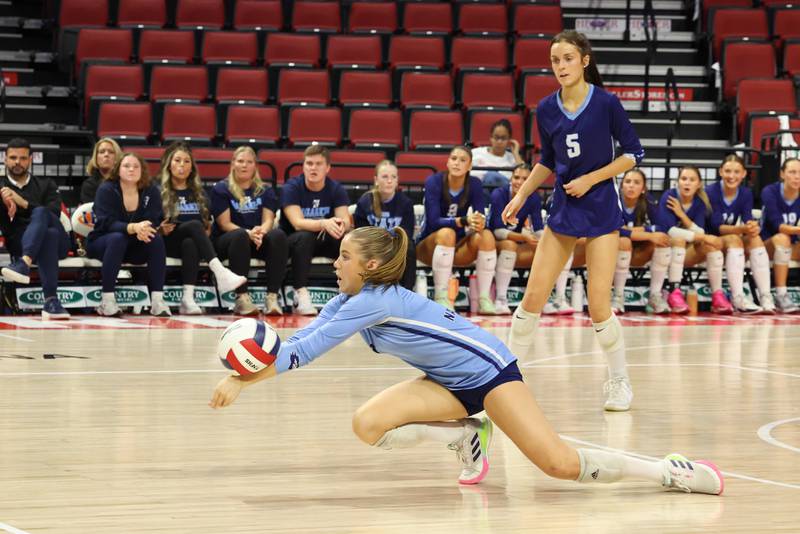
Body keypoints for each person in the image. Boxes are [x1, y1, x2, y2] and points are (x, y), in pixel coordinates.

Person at [209, 225, 724, 497]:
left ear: (368, 265)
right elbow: (303, 339)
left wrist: (240, 380)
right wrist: (257, 348)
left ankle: (664, 470)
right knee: (367, 424)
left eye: (343, 256)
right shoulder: (351, 300)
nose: (334, 263)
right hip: (446, 379)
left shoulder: (371, 300)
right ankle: (464, 436)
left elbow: (304, 353)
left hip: (491, 372)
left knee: (559, 465)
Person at [502, 31, 643, 411]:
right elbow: (547, 159)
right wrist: (521, 194)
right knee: (532, 297)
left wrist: (593, 178)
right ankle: (505, 381)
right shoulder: (546, 108)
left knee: (598, 305)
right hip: (564, 207)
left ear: (584, 60)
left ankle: (619, 381)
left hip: (600, 207)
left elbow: (634, 153)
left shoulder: (607, 104)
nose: (560, 66)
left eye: (567, 58)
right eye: (554, 60)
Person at [159, 142, 246, 314]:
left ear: (192, 167)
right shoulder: (158, 191)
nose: (182, 165)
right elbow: (152, 224)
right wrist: (160, 228)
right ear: (169, 165)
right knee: (193, 226)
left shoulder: (200, 193)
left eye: (186, 161)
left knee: (191, 241)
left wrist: (207, 230)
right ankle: (220, 271)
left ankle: (188, 298)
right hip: (167, 242)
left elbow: (207, 223)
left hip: (193, 246)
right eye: (177, 160)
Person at [86, 152, 170, 317]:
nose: (131, 169)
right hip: (103, 242)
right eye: (126, 166)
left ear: (142, 170)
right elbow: (105, 222)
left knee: (156, 239)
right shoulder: (106, 189)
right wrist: (132, 228)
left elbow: (155, 217)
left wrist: (145, 228)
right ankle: (107, 301)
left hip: (134, 245)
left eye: (136, 166)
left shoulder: (151, 190)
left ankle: (157, 301)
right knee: (118, 238)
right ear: (118, 170)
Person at [416, 146, 497, 314]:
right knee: (447, 232)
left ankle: (484, 298)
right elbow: (433, 222)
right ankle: (441, 296)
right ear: (447, 162)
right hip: (428, 245)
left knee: (486, 235)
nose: (457, 163)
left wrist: (479, 222)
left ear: (470, 166)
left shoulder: (474, 184)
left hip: (458, 246)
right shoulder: (434, 181)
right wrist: (462, 221)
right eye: (453, 159)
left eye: (462, 160)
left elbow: (479, 214)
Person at [211, 146, 288, 316]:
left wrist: (260, 232)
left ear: (255, 166)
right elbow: (224, 224)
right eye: (240, 161)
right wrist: (248, 233)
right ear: (232, 164)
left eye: (249, 162)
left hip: (256, 239)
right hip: (229, 240)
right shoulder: (221, 189)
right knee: (239, 236)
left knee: (278, 235)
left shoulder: (265, 190)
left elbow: (268, 219)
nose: (244, 165)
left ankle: (272, 297)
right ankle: (241, 297)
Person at [0, 137, 71, 319]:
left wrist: (23, 203)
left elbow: (54, 213)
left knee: (42, 213)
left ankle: (24, 263)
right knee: (49, 234)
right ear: (5, 159)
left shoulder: (47, 184)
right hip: (20, 242)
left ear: (30, 160)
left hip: (60, 246)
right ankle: (51, 301)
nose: (18, 162)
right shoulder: (1, 186)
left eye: (23, 158)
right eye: (13, 157)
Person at [280, 145, 351, 316]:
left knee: (348, 240)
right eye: (309, 163)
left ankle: (350, 291)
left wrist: (339, 224)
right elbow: (297, 222)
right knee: (304, 237)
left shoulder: (336, 189)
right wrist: (323, 223)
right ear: (303, 166)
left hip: (324, 239)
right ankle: (301, 295)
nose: (313, 168)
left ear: (327, 168)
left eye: (318, 164)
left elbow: (346, 220)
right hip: (294, 241)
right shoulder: (292, 187)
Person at [653, 166, 731, 315]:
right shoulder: (669, 196)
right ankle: (674, 292)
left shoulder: (700, 201)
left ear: (699, 184)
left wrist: (682, 215)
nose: (687, 183)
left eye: (692, 180)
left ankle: (718, 295)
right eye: (683, 179)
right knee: (680, 240)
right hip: (663, 251)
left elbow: (700, 231)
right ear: (678, 182)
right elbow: (669, 230)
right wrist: (702, 236)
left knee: (711, 246)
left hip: (686, 253)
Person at [706, 154, 772, 314]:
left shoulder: (746, 193)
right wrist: (743, 229)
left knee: (755, 238)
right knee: (736, 238)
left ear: (743, 174)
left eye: (737, 172)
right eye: (728, 171)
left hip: (730, 241)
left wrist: (751, 226)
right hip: (709, 241)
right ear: (720, 171)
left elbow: (747, 218)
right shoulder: (710, 191)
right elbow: (716, 226)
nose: (732, 176)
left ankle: (765, 296)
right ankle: (737, 297)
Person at [487, 163, 543, 314]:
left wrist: (546, 241)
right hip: (492, 240)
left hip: (516, 239)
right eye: (516, 177)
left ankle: (547, 299)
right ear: (511, 178)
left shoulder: (533, 198)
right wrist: (524, 237)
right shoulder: (499, 194)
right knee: (509, 245)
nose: (519, 181)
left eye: (525, 178)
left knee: (545, 248)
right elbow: (497, 231)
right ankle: (500, 299)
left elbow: (538, 229)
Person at [614, 168, 672, 314]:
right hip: (615, 252)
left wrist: (636, 231)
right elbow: (616, 230)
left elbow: (661, 227)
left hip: (639, 252)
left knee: (663, 241)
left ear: (643, 189)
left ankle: (654, 296)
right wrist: (648, 233)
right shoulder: (614, 201)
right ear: (621, 186)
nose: (631, 185)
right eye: (627, 182)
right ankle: (618, 296)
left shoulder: (649, 202)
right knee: (624, 241)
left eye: (636, 182)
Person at [353, 160, 416, 290]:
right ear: (376, 180)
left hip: (395, 246)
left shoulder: (405, 203)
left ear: (397, 180)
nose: (389, 181)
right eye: (385, 177)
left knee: (409, 246)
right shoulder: (365, 201)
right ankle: (361, 290)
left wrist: (388, 243)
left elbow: (407, 233)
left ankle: (407, 291)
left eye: (393, 177)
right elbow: (360, 232)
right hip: (372, 247)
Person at [759, 157, 800, 313]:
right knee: (783, 239)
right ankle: (781, 295)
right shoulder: (770, 191)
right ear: (782, 174)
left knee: (787, 242)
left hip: (791, 247)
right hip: (766, 246)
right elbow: (778, 226)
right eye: (792, 172)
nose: (797, 177)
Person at [470, 119, 524, 189]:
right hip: (477, 190)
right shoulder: (475, 153)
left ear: (509, 140)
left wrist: (516, 154)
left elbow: (524, 178)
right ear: (491, 138)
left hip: (502, 195)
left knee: (492, 176)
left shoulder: (513, 159)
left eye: (503, 138)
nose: (499, 142)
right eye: (496, 137)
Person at [81, 137, 122, 204]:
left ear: (117, 157)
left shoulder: (124, 182)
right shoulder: (89, 185)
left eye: (111, 152)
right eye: (102, 152)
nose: (106, 155)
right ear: (96, 157)